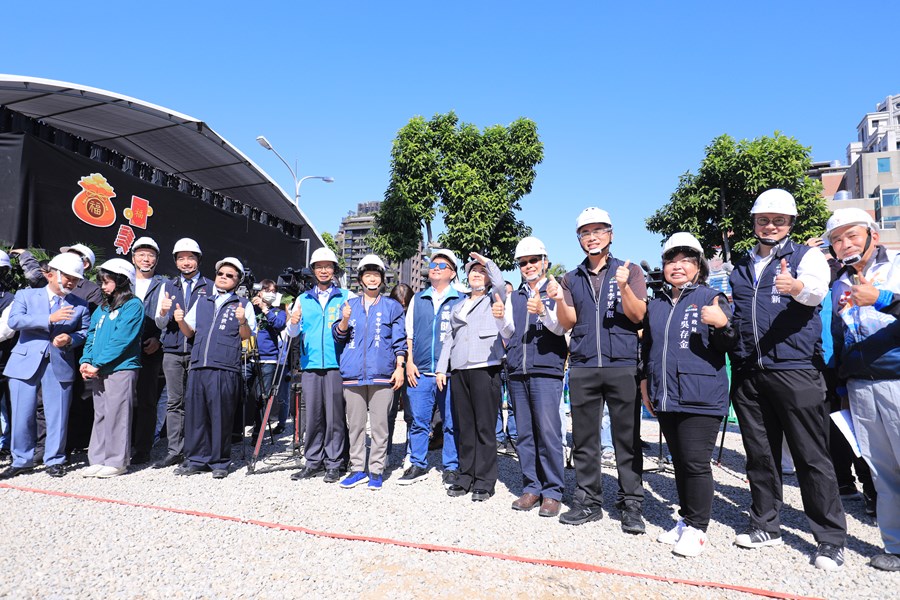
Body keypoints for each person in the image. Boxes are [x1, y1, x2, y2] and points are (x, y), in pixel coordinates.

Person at [728, 189, 847, 571]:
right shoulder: (741, 268)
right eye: (763, 219)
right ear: (754, 223)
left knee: (811, 457)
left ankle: (830, 539)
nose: (770, 225)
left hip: (795, 370)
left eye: (779, 220)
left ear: (790, 224)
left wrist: (797, 288)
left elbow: (815, 292)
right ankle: (765, 524)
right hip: (750, 374)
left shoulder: (805, 257)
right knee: (760, 455)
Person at [550, 207, 647, 533]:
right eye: (585, 232)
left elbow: (638, 317)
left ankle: (631, 503)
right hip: (583, 366)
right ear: (579, 239)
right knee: (585, 440)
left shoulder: (629, 270)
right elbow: (568, 322)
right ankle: (588, 501)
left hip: (622, 365)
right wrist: (558, 299)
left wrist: (624, 288)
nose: (592, 237)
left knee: (626, 439)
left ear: (611, 234)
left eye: (599, 231)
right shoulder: (570, 277)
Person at [641, 233, 736, 557]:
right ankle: (685, 519)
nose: (677, 266)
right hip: (666, 394)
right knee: (679, 461)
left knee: (696, 463)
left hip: (701, 396)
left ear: (699, 267)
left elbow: (731, 345)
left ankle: (698, 528)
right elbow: (648, 349)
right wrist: (644, 383)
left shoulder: (712, 297)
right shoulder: (656, 306)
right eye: (671, 260)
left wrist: (723, 325)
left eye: (686, 260)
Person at [825, 207, 900, 572]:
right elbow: (840, 339)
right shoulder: (840, 282)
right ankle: (896, 545)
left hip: (897, 380)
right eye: (837, 239)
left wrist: (883, 298)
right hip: (859, 387)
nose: (844, 243)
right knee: (880, 469)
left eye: (851, 235)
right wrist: (842, 385)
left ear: (873, 234)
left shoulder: (897, 267)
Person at [0, 253, 90, 479]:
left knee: (57, 413)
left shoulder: (80, 304)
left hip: (59, 361)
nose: (71, 282)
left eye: (76, 279)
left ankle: (55, 459)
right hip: (25, 360)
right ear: (52, 274)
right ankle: (21, 459)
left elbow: (84, 332)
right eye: (67, 276)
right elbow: (14, 321)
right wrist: (49, 318)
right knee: (22, 412)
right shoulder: (25, 295)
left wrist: (70, 339)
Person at [495, 237, 567, 517]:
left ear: (545, 261)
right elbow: (509, 333)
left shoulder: (556, 289)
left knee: (548, 432)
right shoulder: (515, 296)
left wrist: (545, 312)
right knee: (525, 433)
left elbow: (562, 328)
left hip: (546, 369)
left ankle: (552, 491)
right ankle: (532, 487)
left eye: (533, 260)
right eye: (523, 262)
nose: (528, 266)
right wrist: (500, 318)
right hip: (517, 370)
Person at [172, 257, 255, 478]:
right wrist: (179, 320)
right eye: (221, 274)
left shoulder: (244, 305)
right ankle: (196, 459)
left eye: (230, 275)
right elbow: (189, 332)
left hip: (225, 366)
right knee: (196, 413)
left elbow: (246, 337)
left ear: (237, 281)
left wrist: (242, 322)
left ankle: (220, 461)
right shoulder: (203, 301)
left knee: (220, 414)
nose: (224, 278)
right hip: (199, 364)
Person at [435, 252, 507, 502]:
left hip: (485, 365)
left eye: (481, 271)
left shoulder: (494, 297)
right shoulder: (458, 304)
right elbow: (449, 338)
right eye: (473, 270)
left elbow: (499, 281)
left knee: (485, 426)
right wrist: (442, 368)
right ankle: (466, 475)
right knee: (464, 426)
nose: (477, 273)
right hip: (459, 369)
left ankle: (485, 481)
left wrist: (487, 261)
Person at [332, 255, 406, 491]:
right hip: (353, 374)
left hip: (382, 374)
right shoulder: (349, 305)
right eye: (367, 275)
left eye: (376, 275)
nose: (372, 279)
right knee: (354, 425)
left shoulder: (392, 306)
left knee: (380, 425)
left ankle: (376, 470)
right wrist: (344, 320)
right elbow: (338, 336)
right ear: (360, 279)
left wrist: (400, 367)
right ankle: (357, 469)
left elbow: (399, 340)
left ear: (382, 280)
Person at [286, 247, 351, 483]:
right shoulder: (303, 299)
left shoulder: (346, 296)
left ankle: (335, 462)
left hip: (336, 364)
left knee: (334, 415)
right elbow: (292, 332)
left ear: (334, 270)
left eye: (328, 266)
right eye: (319, 266)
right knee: (312, 415)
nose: (324, 270)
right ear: (313, 270)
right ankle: (312, 461)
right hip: (310, 364)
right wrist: (292, 322)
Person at [400, 249, 464, 487]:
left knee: (450, 421)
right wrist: (409, 362)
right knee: (418, 420)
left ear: (452, 273)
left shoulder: (461, 299)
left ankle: (451, 466)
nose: (435, 268)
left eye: (441, 265)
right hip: (421, 370)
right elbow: (409, 334)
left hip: (448, 373)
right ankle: (417, 462)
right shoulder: (418, 298)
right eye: (433, 264)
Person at [79, 259, 144, 478]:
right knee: (101, 413)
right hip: (98, 368)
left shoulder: (133, 305)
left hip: (121, 368)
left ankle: (117, 461)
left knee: (118, 413)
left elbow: (122, 340)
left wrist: (97, 363)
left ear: (122, 280)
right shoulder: (102, 308)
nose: (103, 286)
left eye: (107, 282)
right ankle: (98, 459)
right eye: (102, 282)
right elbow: (91, 335)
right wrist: (86, 360)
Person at [153, 238, 210, 469]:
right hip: (173, 351)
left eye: (191, 257)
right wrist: (164, 313)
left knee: (197, 401)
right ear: (176, 262)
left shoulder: (210, 286)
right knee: (174, 402)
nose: (186, 262)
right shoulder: (167, 286)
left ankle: (195, 449)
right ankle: (174, 450)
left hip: (199, 350)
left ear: (198, 259)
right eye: (181, 258)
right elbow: (159, 323)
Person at [129, 237, 166, 464]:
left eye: (150, 255)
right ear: (133, 257)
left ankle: (143, 448)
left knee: (147, 400)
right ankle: (120, 445)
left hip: (150, 349)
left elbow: (171, 319)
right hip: (122, 350)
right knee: (120, 398)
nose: (146, 259)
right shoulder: (123, 281)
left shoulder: (165, 284)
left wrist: (159, 340)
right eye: (141, 254)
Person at [249, 279, 287, 433]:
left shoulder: (278, 312)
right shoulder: (251, 308)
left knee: (262, 396)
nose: (270, 293)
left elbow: (279, 324)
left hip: (268, 358)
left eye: (273, 291)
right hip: (248, 356)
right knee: (243, 391)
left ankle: (259, 430)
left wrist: (265, 308)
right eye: (267, 290)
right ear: (259, 291)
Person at [386, 283, 414, 460]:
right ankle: (385, 452)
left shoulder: (416, 315)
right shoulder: (386, 313)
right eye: (399, 304)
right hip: (391, 368)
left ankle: (411, 453)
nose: (402, 308)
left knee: (412, 414)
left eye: (406, 304)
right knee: (389, 412)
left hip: (411, 367)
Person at [0, 250, 18, 458]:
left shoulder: (9, 299)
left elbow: (5, 330)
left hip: (2, 361)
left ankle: (5, 444)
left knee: (5, 406)